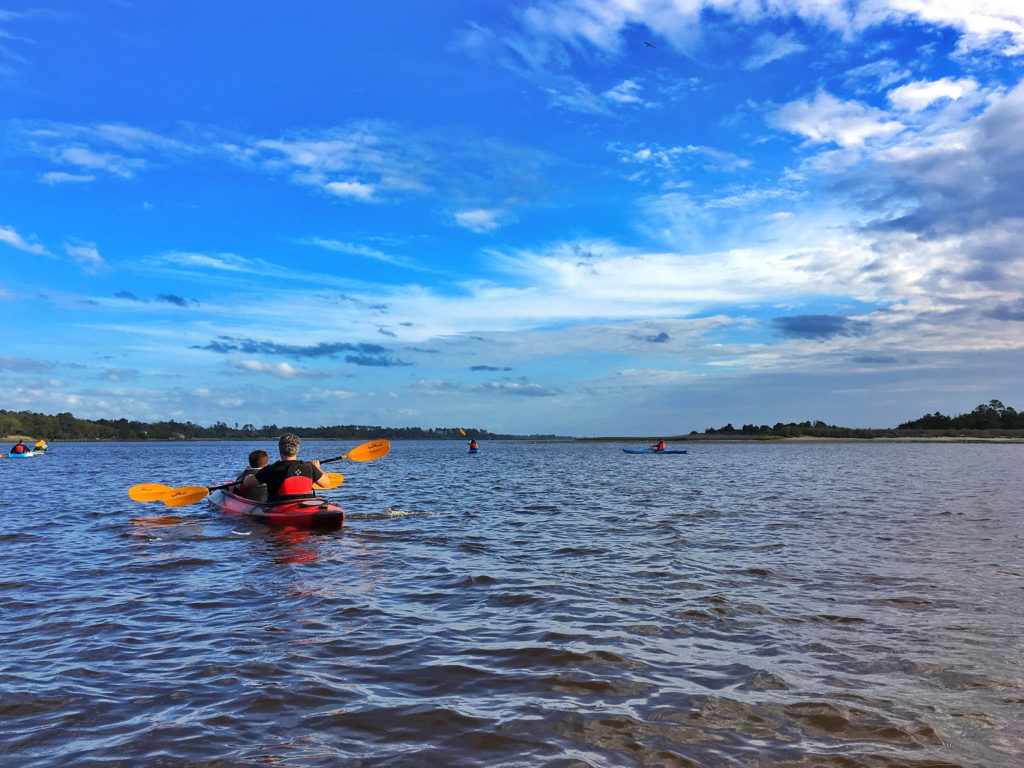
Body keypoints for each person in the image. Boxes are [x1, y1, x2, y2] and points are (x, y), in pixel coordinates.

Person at [242, 434, 330, 502]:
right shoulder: (309, 467)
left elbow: (247, 483)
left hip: (279, 507)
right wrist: (317, 468)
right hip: (304, 505)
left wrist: (248, 476)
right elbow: (326, 483)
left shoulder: (271, 469)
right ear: (297, 450)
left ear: (280, 449)